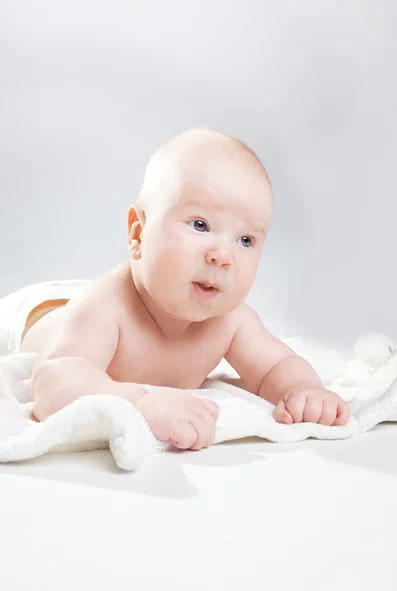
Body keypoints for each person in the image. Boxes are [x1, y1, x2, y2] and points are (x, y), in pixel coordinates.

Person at [8, 127, 350, 450]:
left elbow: (277, 365)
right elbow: (53, 383)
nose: (222, 255)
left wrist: (303, 390)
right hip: (35, 312)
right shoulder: (106, 307)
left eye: (245, 239)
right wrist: (140, 402)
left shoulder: (231, 320)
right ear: (138, 233)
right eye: (200, 225)